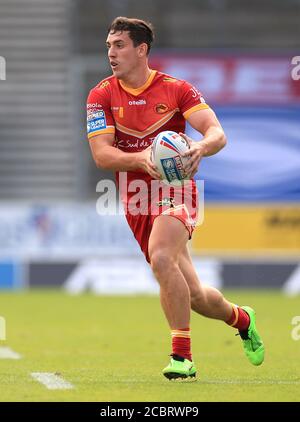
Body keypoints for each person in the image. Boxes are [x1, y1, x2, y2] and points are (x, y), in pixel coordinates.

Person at [86, 17, 264, 379]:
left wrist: (199, 147)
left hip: (178, 189)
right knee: (195, 296)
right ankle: (242, 318)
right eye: (108, 46)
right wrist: (141, 159)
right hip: (136, 197)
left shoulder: (177, 89)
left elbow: (216, 132)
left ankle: (182, 357)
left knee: (162, 256)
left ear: (141, 49)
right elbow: (102, 156)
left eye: (119, 45)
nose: (111, 53)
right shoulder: (101, 94)